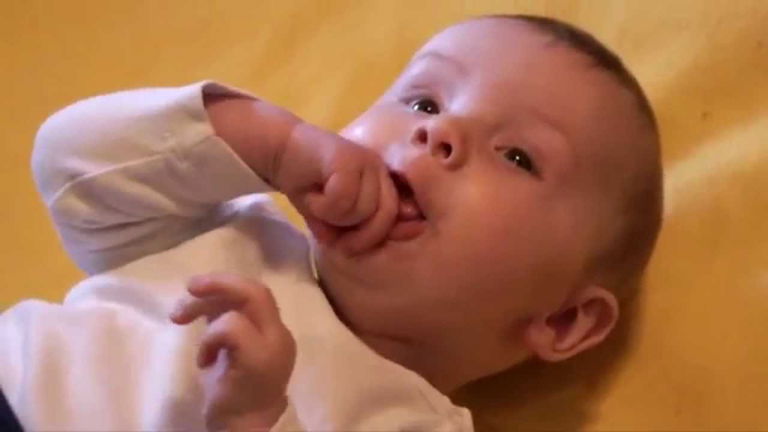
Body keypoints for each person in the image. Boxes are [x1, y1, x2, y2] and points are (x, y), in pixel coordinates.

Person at [0, 14, 663, 431]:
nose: (439, 132)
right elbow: (69, 168)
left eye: (517, 156)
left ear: (563, 321)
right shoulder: (227, 227)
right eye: (423, 101)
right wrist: (274, 145)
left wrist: (252, 420)